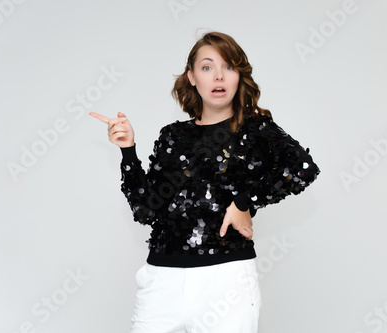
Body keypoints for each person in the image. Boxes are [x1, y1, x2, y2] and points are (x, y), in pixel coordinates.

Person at [90, 31, 320, 333]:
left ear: (239, 76)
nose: (219, 76)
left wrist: (243, 203)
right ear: (192, 77)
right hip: (163, 279)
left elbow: (303, 168)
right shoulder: (173, 136)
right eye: (208, 67)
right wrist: (128, 151)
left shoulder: (255, 129)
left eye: (229, 67)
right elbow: (146, 210)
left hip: (226, 281)